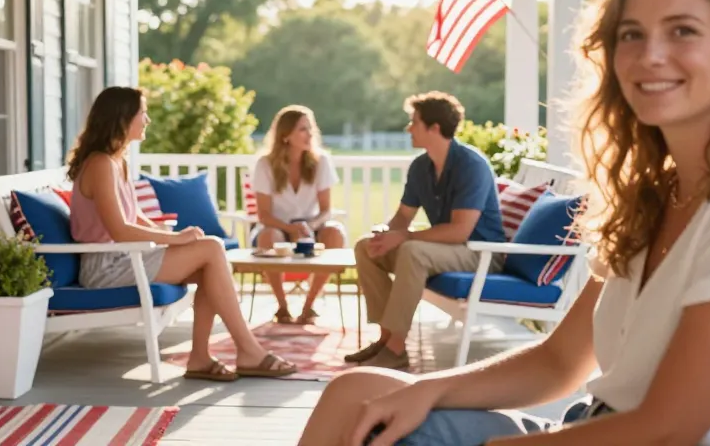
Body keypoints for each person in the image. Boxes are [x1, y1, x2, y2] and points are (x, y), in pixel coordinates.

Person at [298, 0, 710, 446]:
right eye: (631, 35)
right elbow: (558, 362)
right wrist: (429, 388)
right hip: (589, 421)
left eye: (682, 30)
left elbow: (670, 428)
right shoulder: (652, 198)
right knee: (357, 395)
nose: (650, 56)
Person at [66, 86, 297, 381]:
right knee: (212, 249)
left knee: (209, 267)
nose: (147, 120)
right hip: (106, 268)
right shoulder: (100, 164)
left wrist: (163, 232)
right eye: (143, 113)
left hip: (127, 258)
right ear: (123, 118)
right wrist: (176, 239)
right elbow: (120, 229)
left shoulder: (116, 161)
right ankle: (249, 350)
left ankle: (201, 357)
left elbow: (133, 216)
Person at [344, 91, 504, 371]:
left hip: (481, 253)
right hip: (444, 250)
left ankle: (396, 350)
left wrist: (403, 237)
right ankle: (385, 340)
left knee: (413, 251)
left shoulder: (471, 166)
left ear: (434, 128)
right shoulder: (421, 167)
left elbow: (460, 232)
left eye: (414, 122)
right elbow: (403, 218)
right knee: (365, 247)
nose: (408, 128)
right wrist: (384, 234)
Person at [252, 105, 346, 325]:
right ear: (286, 135)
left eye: (310, 128)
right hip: (277, 227)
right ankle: (282, 307)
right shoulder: (264, 164)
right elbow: (264, 214)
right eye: (303, 129)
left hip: (311, 228)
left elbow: (326, 210)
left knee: (335, 232)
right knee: (268, 237)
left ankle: (308, 306)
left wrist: (308, 226)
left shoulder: (321, 161)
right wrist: (289, 229)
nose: (310, 134)